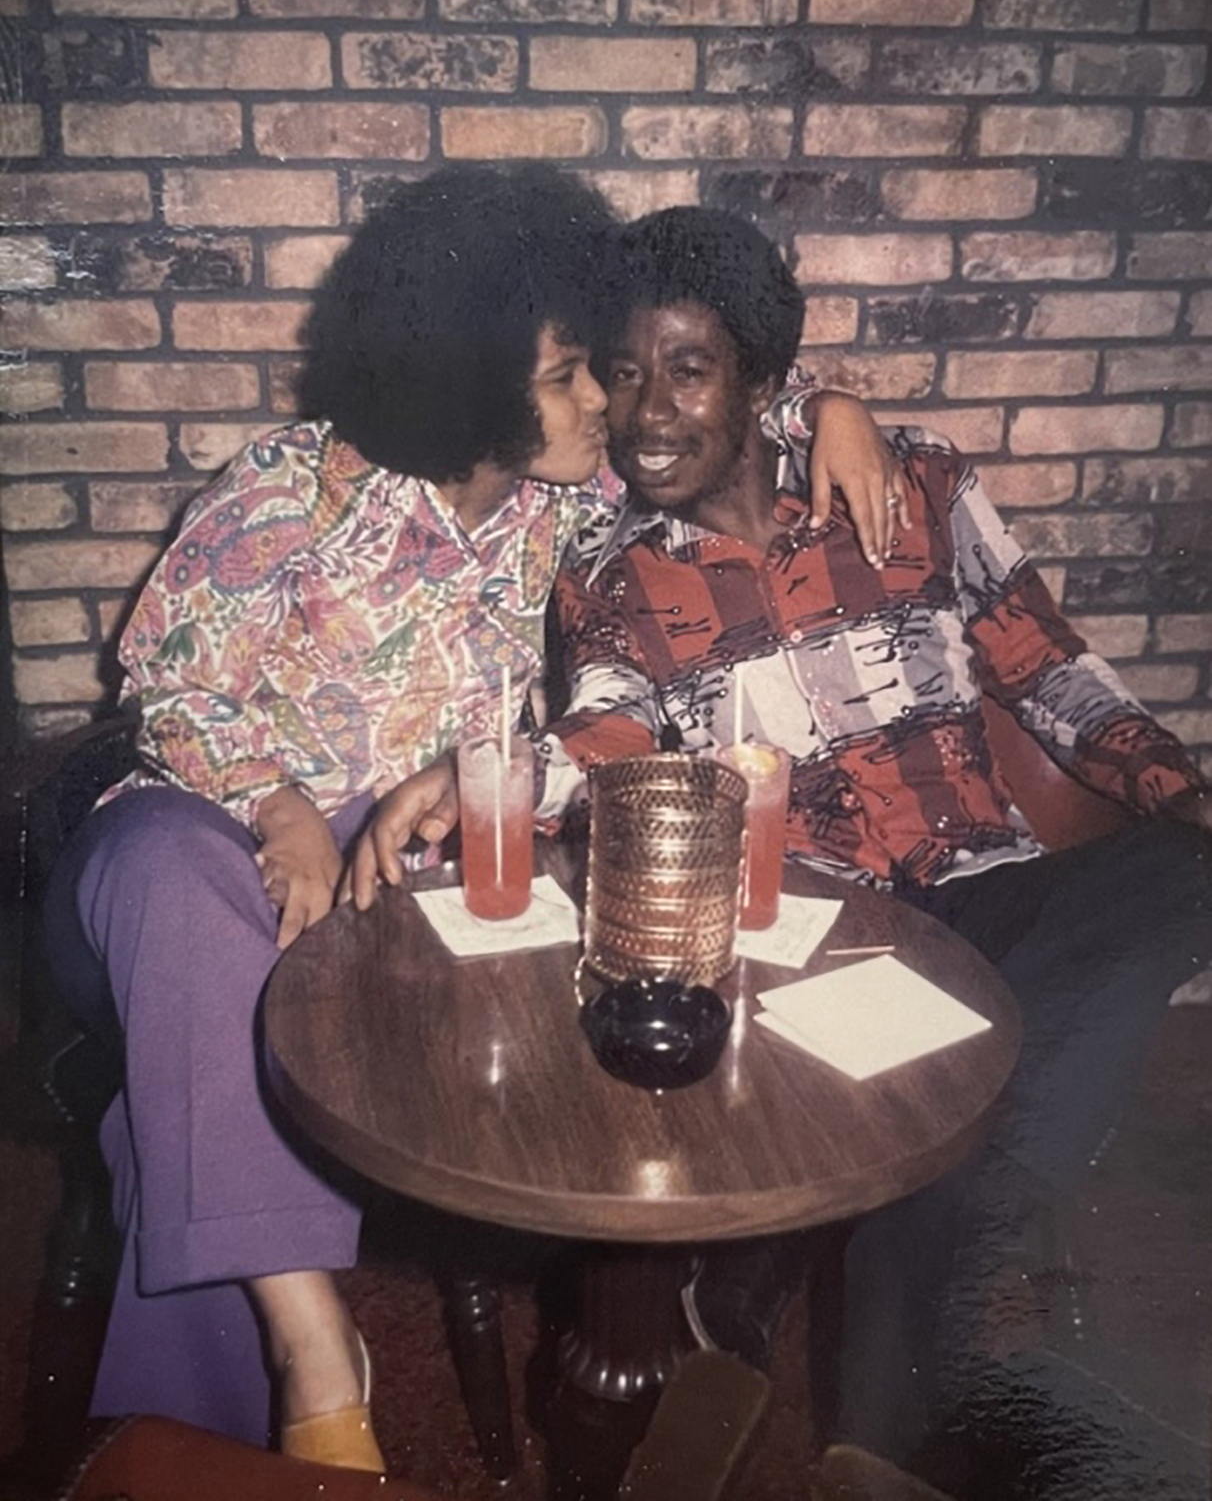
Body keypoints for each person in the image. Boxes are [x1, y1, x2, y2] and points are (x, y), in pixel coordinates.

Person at [43, 166, 900, 1468]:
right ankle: (310, 1343)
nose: (599, 400)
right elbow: (165, 688)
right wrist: (277, 811)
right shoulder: (289, 492)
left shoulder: (570, 503)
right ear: (465, 377)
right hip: (196, 822)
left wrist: (841, 401)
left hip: (420, 845)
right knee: (184, 904)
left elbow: (720, 403)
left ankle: (186, 1442)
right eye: (566, 377)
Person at [519, 207, 1212, 1489]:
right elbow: (608, 724)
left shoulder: (918, 485)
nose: (646, 410)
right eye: (622, 371)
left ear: (765, 382)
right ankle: (883, 1440)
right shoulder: (609, 575)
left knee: (1181, 871)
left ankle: (779, 1287)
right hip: (819, 942)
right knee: (943, 1103)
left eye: (687, 367)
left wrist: (1181, 787)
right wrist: (515, 785)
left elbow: (1052, 673)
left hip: (989, 900)